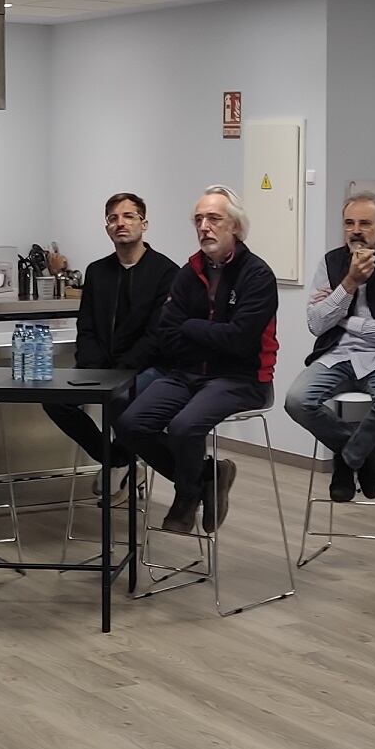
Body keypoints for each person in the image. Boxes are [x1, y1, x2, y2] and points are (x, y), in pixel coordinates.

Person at [117, 186, 278, 535]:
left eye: (214, 219)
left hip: (243, 379)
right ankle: (208, 476)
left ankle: (186, 495)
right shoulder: (189, 272)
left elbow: (240, 341)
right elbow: (167, 334)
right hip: (188, 373)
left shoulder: (257, 275)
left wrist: (191, 327)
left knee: (183, 427)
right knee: (130, 424)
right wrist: (204, 334)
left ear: (235, 226)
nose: (204, 226)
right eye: (199, 219)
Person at [287, 190, 375, 502]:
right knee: (297, 400)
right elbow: (316, 324)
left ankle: (347, 459)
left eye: (364, 223)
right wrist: (348, 283)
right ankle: (362, 452)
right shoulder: (331, 262)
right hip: (336, 353)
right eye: (349, 223)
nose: (356, 230)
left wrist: (345, 320)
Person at [45, 192, 177, 466]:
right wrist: (94, 367)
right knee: (55, 400)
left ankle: (190, 476)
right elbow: (87, 326)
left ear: (144, 224)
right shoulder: (97, 271)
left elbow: (157, 334)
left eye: (129, 216)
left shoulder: (167, 272)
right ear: (107, 227)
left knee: (119, 401)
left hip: (148, 368)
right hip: (102, 367)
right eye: (113, 218)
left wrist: (119, 372)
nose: (121, 223)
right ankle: (116, 458)